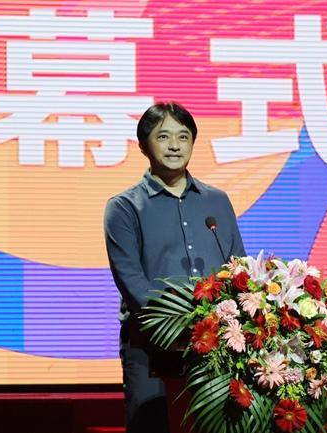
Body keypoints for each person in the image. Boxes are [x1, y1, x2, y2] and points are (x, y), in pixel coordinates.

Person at [103, 102, 246, 433]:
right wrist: (182, 327)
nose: (174, 146)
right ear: (144, 145)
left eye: (183, 136)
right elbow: (132, 281)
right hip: (151, 347)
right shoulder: (124, 207)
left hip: (216, 345)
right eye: (163, 136)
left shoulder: (217, 201)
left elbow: (237, 266)